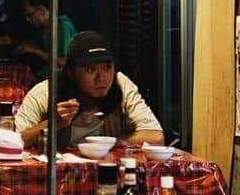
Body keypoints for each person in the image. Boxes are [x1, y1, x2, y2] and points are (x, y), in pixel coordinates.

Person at [14, 30, 163, 149]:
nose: (101, 78)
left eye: (107, 67)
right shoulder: (46, 92)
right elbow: (12, 142)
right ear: (71, 73)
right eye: (91, 70)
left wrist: (108, 143)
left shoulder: (120, 84)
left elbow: (156, 137)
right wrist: (55, 123)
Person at [3, 0, 77, 73]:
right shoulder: (45, 27)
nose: (28, 19)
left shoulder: (62, 26)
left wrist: (35, 51)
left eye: (30, 15)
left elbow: (63, 63)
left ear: (42, 9)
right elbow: (32, 44)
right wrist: (13, 42)